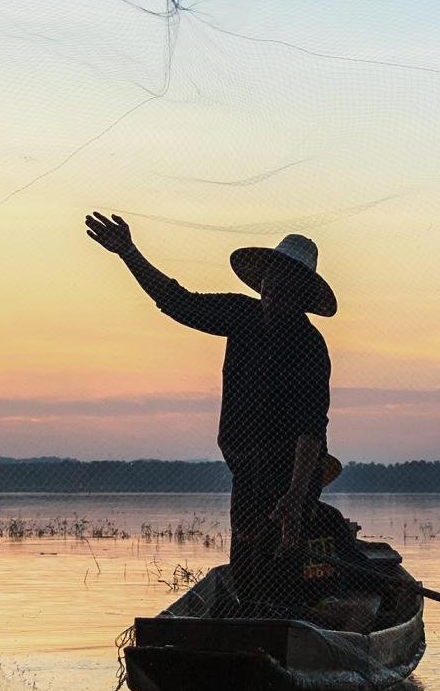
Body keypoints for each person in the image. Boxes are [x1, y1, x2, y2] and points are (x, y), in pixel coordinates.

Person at [85, 212, 335, 607]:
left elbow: (310, 429)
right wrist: (128, 252)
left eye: (286, 292)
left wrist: (295, 494)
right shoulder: (241, 315)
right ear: (262, 285)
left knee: (283, 573)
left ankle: (290, 627)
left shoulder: (309, 346)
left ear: (302, 298)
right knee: (247, 567)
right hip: (248, 469)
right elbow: (175, 301)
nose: (274, 297)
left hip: (292, 474)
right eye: (270, 287)